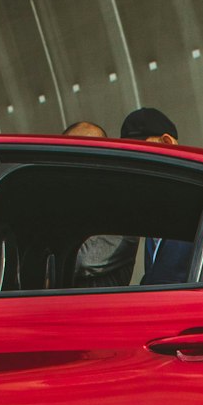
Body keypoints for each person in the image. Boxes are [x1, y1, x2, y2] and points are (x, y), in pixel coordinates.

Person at [119, 108, 193, 285]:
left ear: (167, 142)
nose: (133, 163)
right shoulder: (160, 207)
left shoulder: (201, 202)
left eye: (139, 151)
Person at [61, 120, 137, 287]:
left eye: (87, 152)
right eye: (69, 152)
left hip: (96, 309)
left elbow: (83, 260)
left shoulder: (121, 209)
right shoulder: (64, 205)